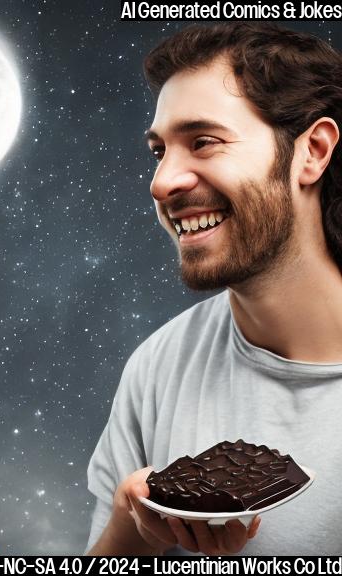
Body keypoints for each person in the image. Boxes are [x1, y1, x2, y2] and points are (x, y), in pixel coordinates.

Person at [87, 22, 342, 556]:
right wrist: (130, 527)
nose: (161, 183)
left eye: (203, 142)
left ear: (312, 152)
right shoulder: (158, 366)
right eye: (160, 151)